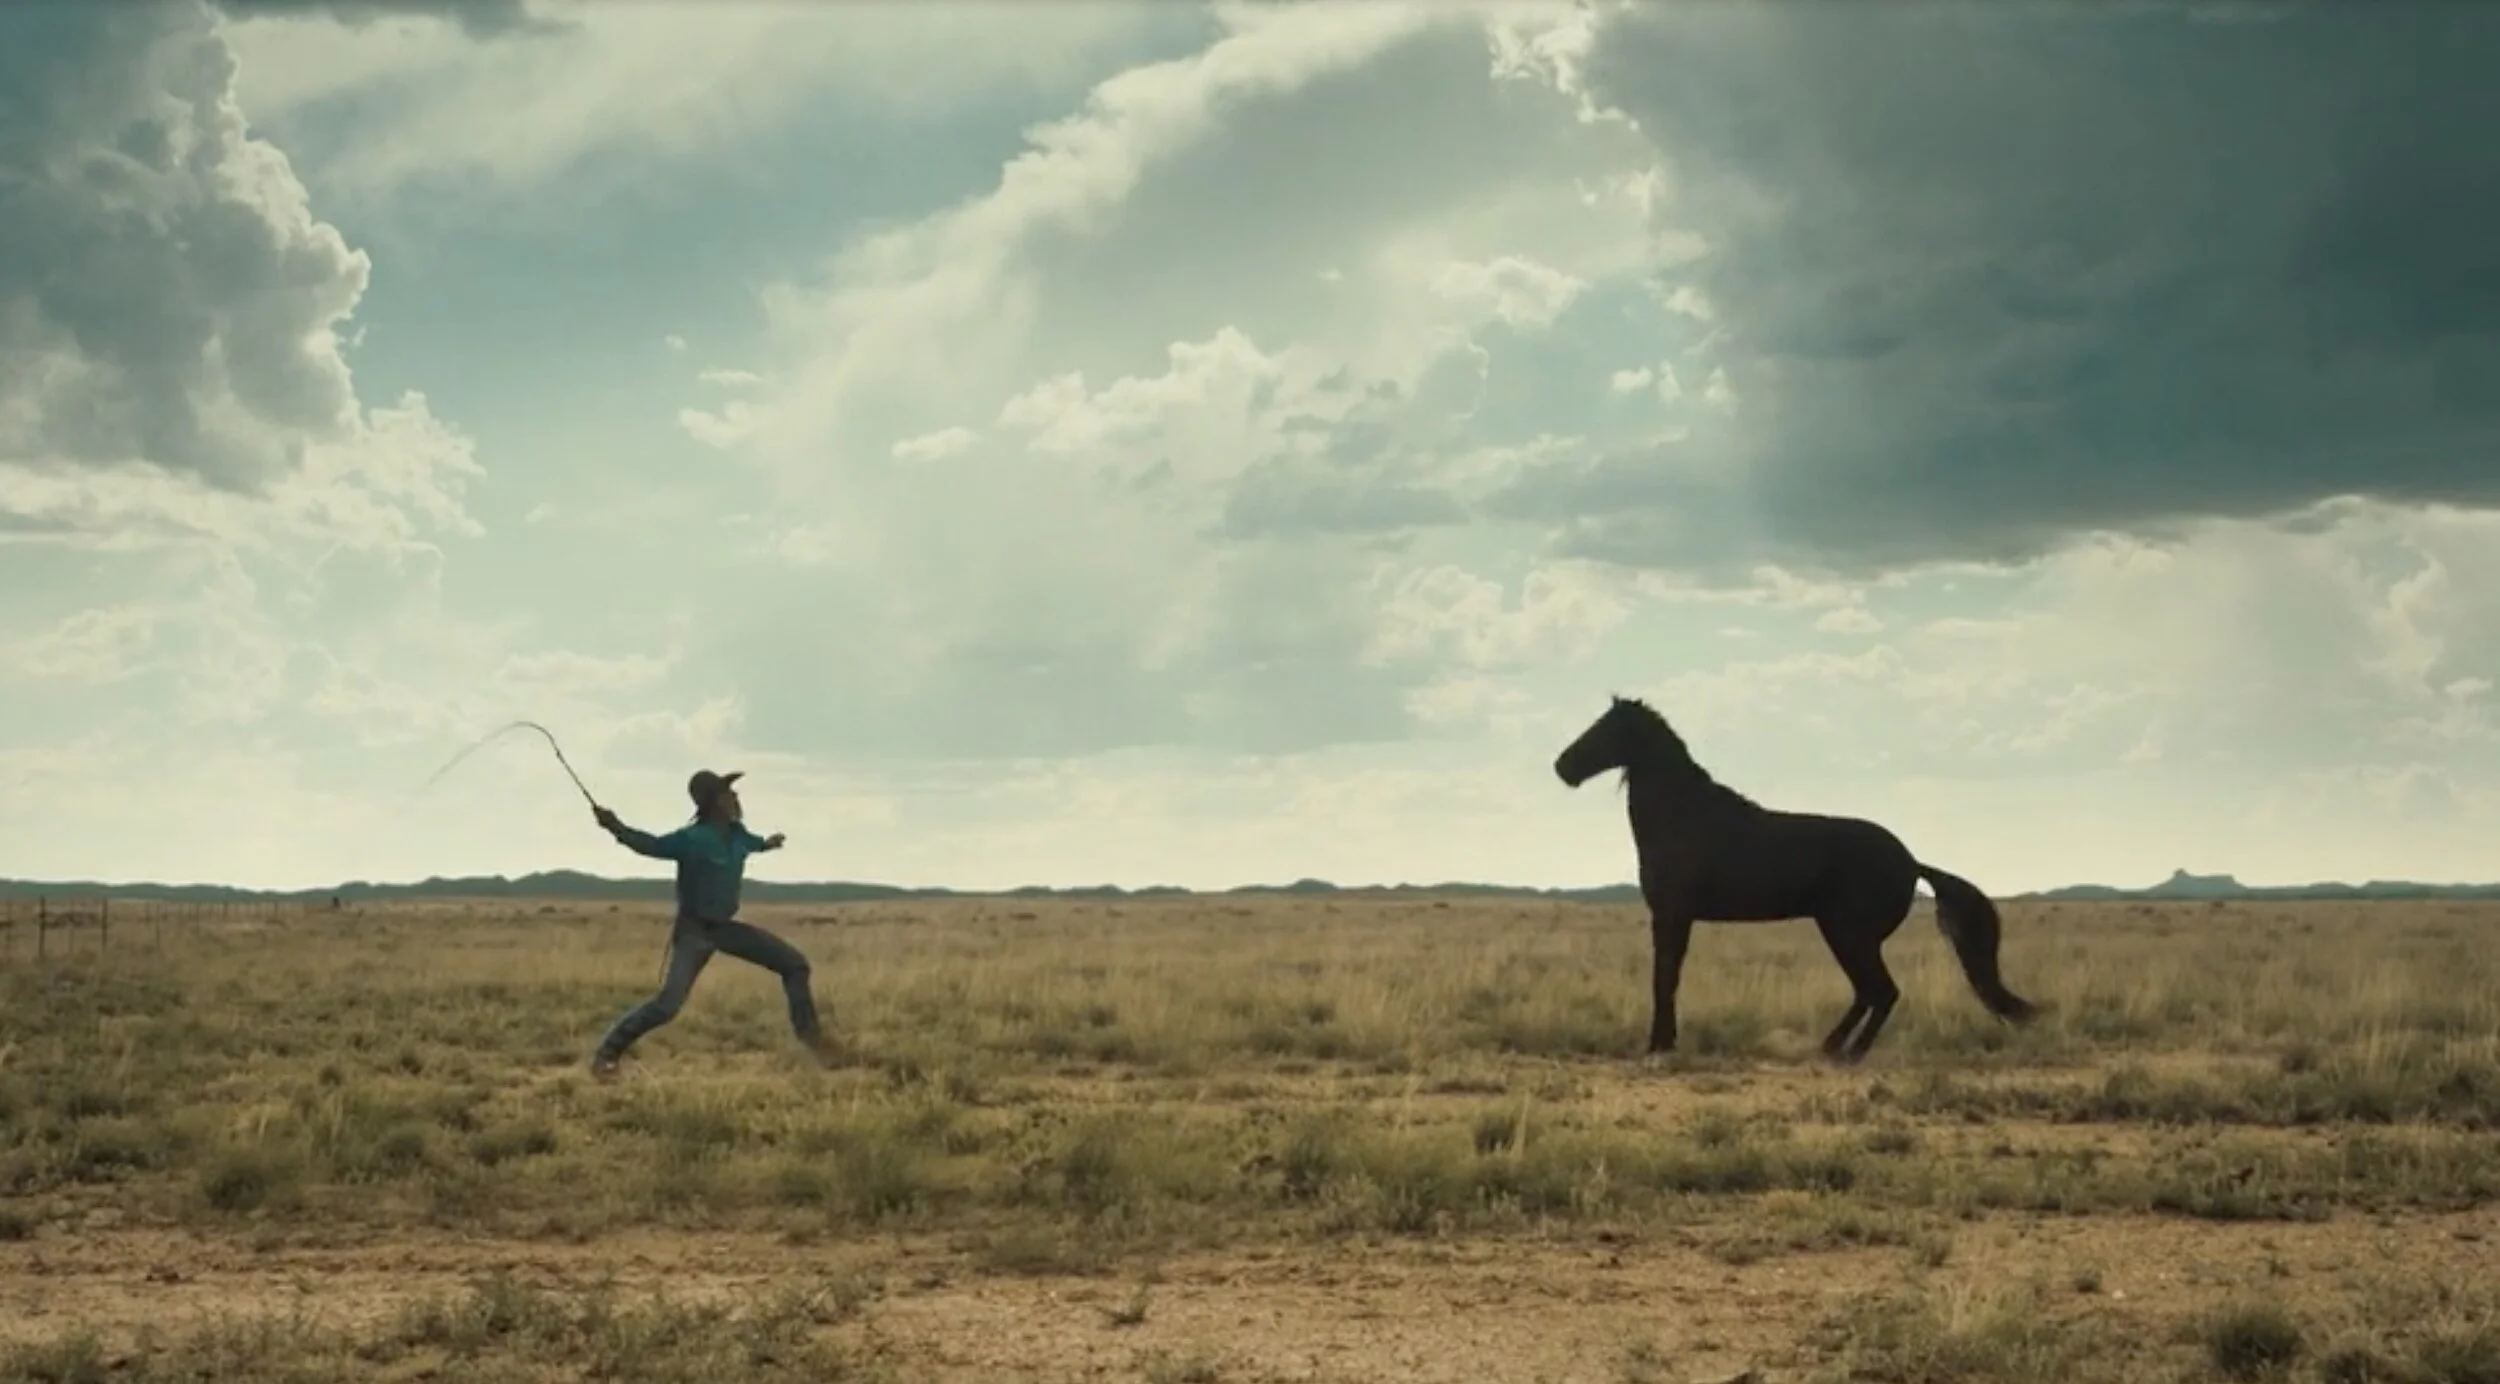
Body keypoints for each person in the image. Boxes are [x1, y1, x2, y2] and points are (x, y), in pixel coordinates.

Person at [586, 768, 839, 1078]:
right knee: (667, 1006)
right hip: (694, 931)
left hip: (724, 929)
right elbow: (650, 845)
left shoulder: (738, 835)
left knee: (795, 966)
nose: (736, 797)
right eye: (728, 792)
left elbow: (754, 843)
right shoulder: (692, 839)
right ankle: (606, 1055)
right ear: (716, 801)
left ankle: (814, 1041)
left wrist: (769, 843)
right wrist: (615, 826)